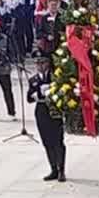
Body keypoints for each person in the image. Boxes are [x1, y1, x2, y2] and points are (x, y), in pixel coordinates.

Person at [26, 53, 66, 182]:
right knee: (47, 141)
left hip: (54, 110)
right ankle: (53, 168)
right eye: (38, 63)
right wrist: (38, 93)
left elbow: (62, 93)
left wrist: (50, 91)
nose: (40, 66)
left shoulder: (55, 78)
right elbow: (29, 98)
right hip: (41, 111)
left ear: (48, 63)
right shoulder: (33, 79)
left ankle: (61, 170)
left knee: (58, 141)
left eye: (42, 63)